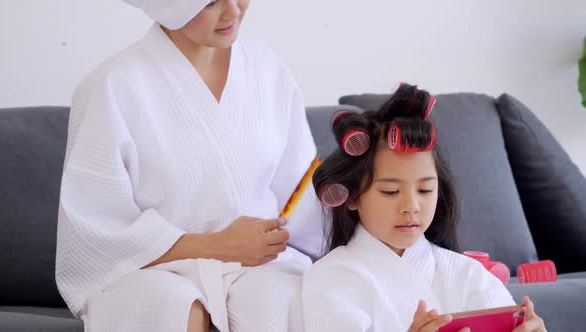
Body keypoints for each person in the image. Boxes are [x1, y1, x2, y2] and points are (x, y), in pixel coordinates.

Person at [55, 1, 324, 331]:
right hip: (152, 269)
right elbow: (94, 231)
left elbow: (303, 197)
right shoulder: (112, 85)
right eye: (210, 2)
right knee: (170, 305)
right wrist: (215, 246)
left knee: (272, 299)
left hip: (258, 264)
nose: (233, 11)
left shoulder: (268, 70)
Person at [302, 83, 547, 332]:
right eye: (390, 191)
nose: (411, 206)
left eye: (425, 190)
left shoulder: (468, 274)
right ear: (352, 196)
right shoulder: (331, 278)